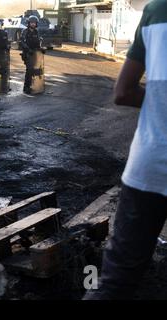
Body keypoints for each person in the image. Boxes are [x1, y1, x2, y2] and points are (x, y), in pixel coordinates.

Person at [83, 0, 167, 299]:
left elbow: (123, 92)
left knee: (115, 282)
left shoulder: (158, 11)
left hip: (149, 168)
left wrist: (159, 101)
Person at [20, 15, 42, 94]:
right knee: (29, 70)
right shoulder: (25, 31)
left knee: (36, 70)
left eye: (34, 23)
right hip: (27, 54)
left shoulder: (37, 32)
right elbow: (22, 42)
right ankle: (26, 87)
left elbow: (38, 42)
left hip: (35, 54)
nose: (33, 24)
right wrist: (28, 49)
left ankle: (35, 85)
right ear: (29, 23)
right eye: (31, 23)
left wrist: (41, 49)